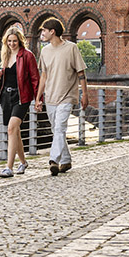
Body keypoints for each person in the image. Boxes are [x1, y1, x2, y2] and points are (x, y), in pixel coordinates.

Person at [33, 17, 89, 176]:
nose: (42, 33)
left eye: (44, 30)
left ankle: (53, 160)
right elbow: (43, 76)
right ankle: (66, 160)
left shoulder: (71, 48)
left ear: (53, 31)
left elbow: (81, 74)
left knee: (59, 128)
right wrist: (38, 98)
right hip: (50, 97)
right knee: (57, 130)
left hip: (67, 96)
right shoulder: (45, 51)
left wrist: (84, 94)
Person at [0, 27, 39, 178]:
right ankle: (23, 162)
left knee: (11, 129)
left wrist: (38, 99)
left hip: (22, 97)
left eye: (14, 41)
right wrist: (0, 73)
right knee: (15, 131)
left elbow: (35, 78)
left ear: (20, 40)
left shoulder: (27, 56)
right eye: (9, 41)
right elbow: (8, 75)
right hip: (6, 97)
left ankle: (9, 167)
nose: (12, 44)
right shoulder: (6, 54)